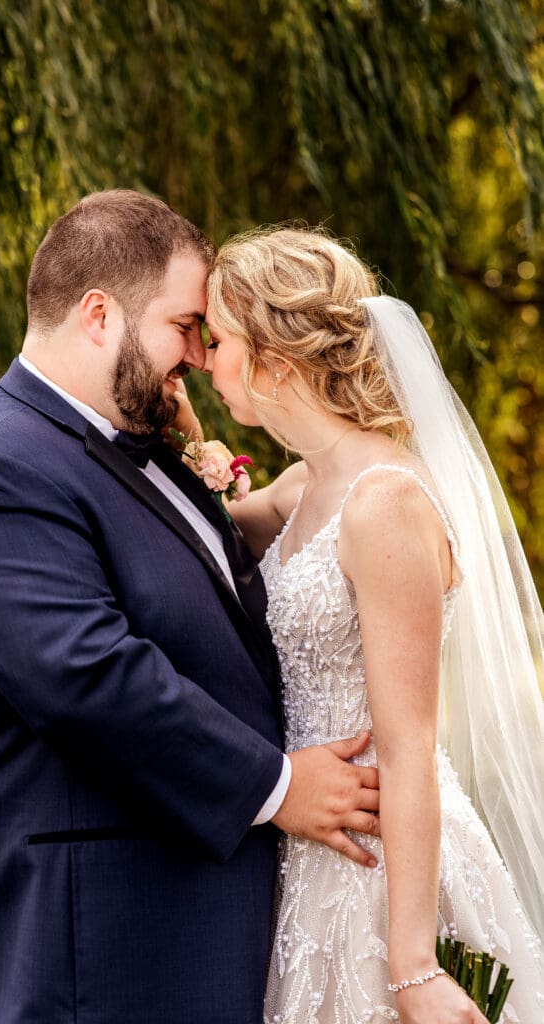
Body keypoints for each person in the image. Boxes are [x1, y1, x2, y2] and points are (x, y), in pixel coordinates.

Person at [0, 191, 383, 1024]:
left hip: (178, 933)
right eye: (183, 326)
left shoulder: (134, 446)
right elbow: (87, 675)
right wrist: (276, 785)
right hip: (84, 954)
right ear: (97, 316)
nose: (197, 353)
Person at [200, 226, 544, 1024]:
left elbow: (407, 744)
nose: (204, 362)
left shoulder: (383, 503)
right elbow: (199, 534)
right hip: (306, 845)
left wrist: (412, 963)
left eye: (217, 341)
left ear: (272, 356)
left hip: (382, 865)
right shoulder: (302, 483)